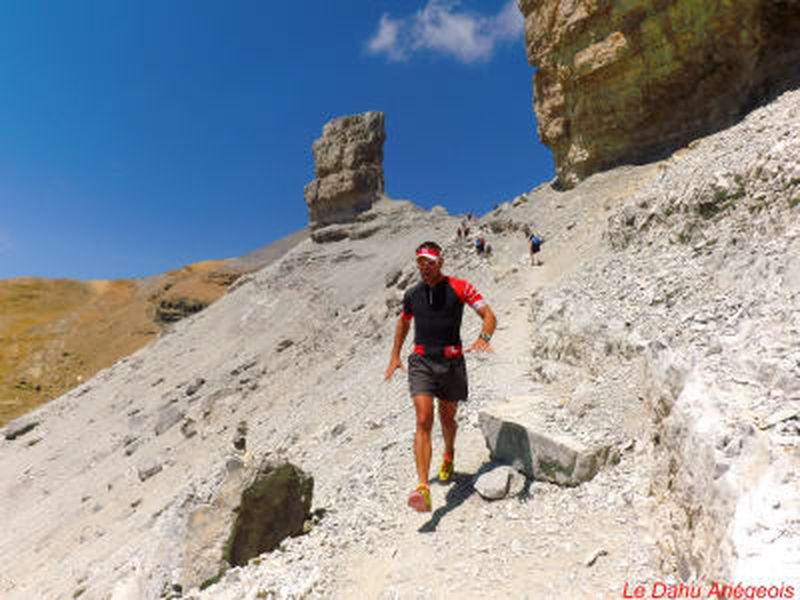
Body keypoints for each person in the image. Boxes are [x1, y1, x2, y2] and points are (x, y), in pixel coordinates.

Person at [384, 241, 497, 512]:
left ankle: (448, 454)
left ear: (440, 262)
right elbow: (404, 322)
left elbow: (489, 314)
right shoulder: (412, 294)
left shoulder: (459, 287)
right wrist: (395, 356)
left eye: (429, 262)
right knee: (423, 418)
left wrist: (484, 338)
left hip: (452, 363)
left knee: (447, 418)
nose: (424, 268)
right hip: (421, 361)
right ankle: (423, 487)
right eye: (420, 263)